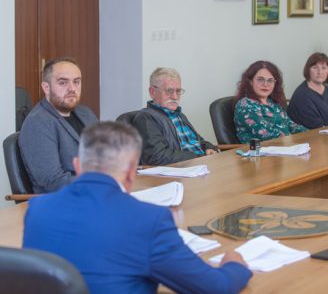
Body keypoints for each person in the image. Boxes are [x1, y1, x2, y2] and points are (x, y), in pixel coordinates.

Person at [23, 121, 252, 293]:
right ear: (132, 171)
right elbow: (216, 287)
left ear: (77, 166)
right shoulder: (149, 220)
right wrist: (235, 263)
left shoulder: (37, 210)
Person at [19, 57, 98, 193]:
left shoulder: (85, 113)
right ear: (46, 87)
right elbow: (53, 182)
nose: (72, 88)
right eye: (63, 83)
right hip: (66, 199)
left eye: (76, 82)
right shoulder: (37, 123)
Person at [133, 68, 218, 165]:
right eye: (169, 91)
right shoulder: (146, 118)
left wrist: (209, 148)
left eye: (178, 91)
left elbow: (198, 141)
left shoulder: (179, 115)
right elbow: (158, 156)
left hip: (200, 164)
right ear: (153, 92)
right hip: (182, 169)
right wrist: (199, 156)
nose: (175, 97)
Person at [234, 61, 306, 143]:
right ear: (250, 81)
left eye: (270, 80)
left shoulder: (273, 103)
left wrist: (310, 133)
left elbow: (290, 125)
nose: (266, 84)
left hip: (285, 145)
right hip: (261, 149)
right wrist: (293, 140)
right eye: (260, 79)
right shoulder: (245, 104)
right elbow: (265, 134)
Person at [287, 52, 328, 129]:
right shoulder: (302, 94)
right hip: (312, 134)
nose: (320, 72)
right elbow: (315, 126)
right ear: (308, 70)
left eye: (324, 68)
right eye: (315, 68)